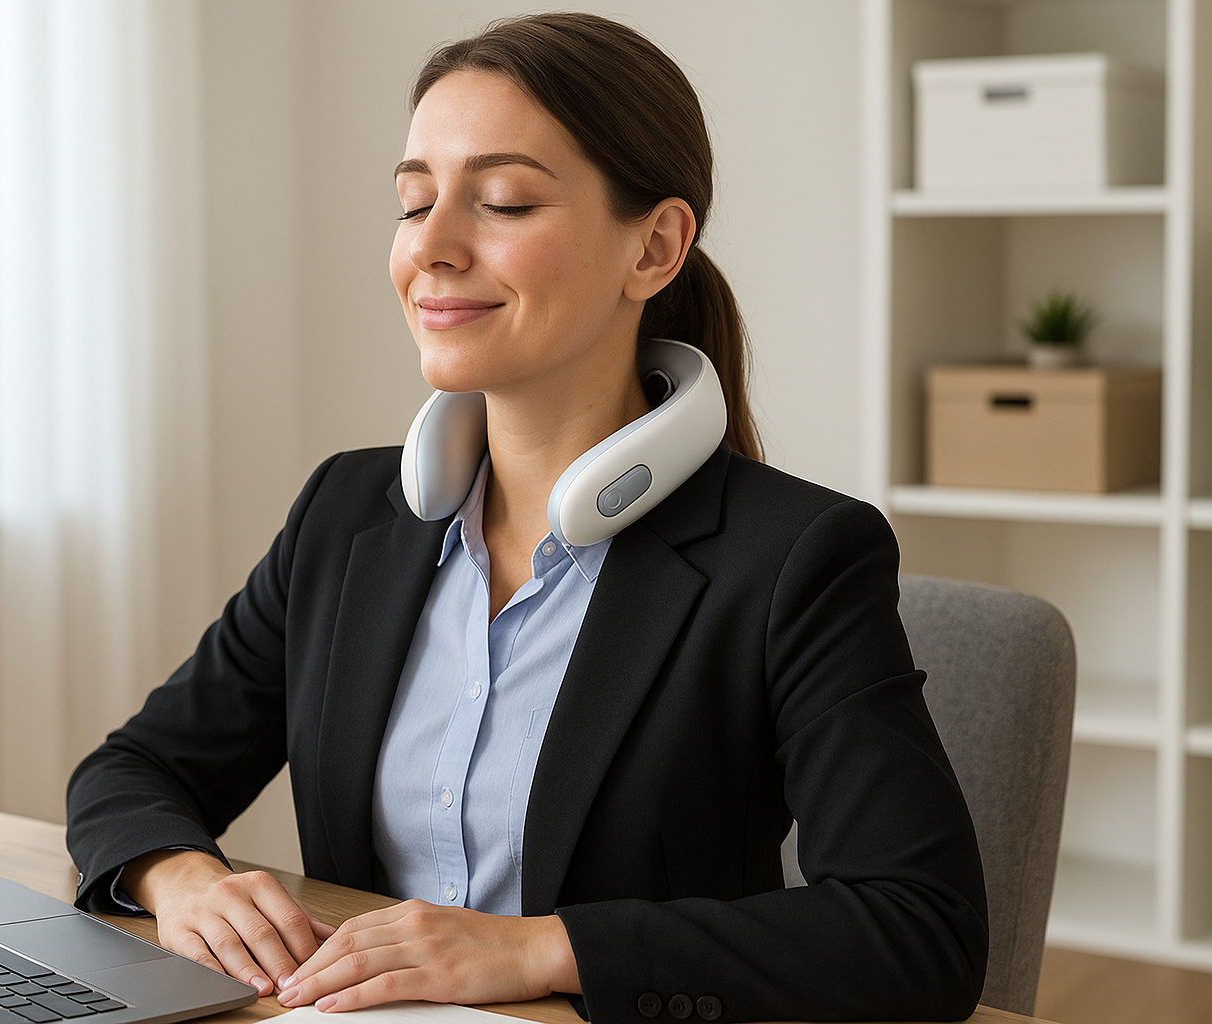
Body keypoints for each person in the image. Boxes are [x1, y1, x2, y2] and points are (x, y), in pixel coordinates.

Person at [66, 13, 987, 1023]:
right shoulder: (344, 515)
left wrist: (539, 949)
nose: (433, 247)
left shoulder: (795, 559)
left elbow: (918, 929)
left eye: (501, 201)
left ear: (656, 246)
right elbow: (134, 767)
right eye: (415, 200)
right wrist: (179, 874)